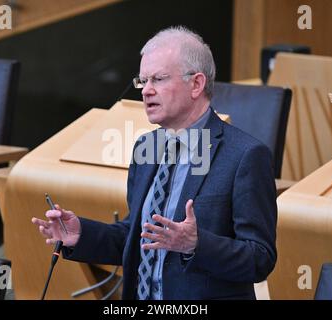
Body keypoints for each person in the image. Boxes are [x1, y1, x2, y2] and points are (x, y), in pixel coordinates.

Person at [32, 26, 277, 300]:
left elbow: (260, 259)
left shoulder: (245, 156)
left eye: (158, 79)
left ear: (196, 84)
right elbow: (137, 238)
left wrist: (196, 244)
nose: (146, 91)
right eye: (143, 80)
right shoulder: (146, 147)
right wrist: (82, 234)